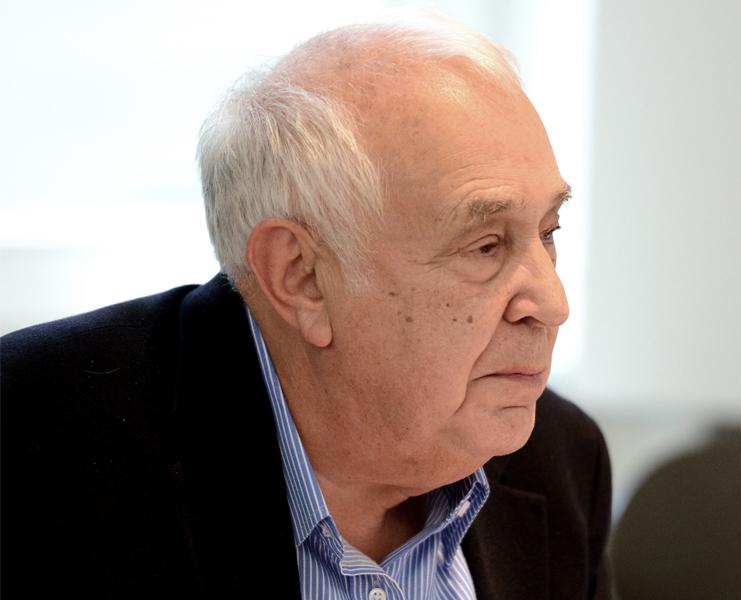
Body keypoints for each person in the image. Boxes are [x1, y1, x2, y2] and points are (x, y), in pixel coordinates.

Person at [1, 13, 611, 600]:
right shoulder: (35, 445)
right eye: (485, 246)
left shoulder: (559, 462)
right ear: (302, 277)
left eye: (548, 232)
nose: (553, 304)